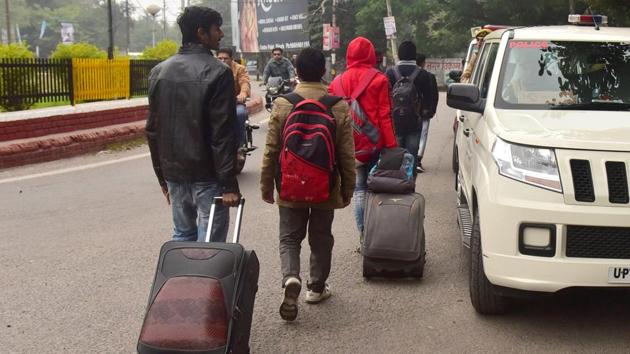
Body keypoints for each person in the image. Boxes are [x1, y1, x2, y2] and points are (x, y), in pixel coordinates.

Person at [260, 48, 356, 321]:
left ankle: (291, 277)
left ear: (297, 72)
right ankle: (316, 287)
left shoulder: (282, 103)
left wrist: (267, 185)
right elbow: (347, 154)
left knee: (290, 236)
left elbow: (271, 151)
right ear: (323, 71)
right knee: (321, 236)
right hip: (325, 184)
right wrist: (347, 188)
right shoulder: (337, 105)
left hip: (290, 184)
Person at [146, 6, 241, 243]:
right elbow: (222, 134)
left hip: (174, 173)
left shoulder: (159, 71)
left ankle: (182, 280)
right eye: (216, 29)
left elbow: (152, 130)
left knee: (182, 236)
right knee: (209, 246)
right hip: (207, 175)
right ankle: (204, 280)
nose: (220, 34)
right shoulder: (219, 72)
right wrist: (229, 185)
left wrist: (162, 177)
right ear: (201, 32)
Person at [329, 36, 397, 243]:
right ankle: (378, 233)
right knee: (377, 188)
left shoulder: (336, 82)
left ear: (349, 55)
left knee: (358, 190)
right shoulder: (379, 79)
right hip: (374, 144)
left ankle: (364, 236)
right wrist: (392, 145)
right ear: (370, 54)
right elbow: (385, 116)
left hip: (348, 145)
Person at [385, 41, 433, 174]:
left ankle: (395, 184)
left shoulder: (390, 72)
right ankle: (409, 185)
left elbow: (385, 97)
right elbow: (428, 98)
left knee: (396, 156)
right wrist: (425, 113)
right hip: (414, 122)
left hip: (394, 122)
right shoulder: (422, 74)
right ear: (414, 55)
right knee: (411, 156)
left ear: (399, 55)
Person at [217, 47, 251, 160]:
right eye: (219, 58)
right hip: (217, 104)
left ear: (231, 59)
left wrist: (243, 94)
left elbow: (245, 82)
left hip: (235, 103)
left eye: (225, 58)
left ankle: (239, 147)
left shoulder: (239, 69)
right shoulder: (211, 68)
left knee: (240, 114)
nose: (222, 61)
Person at [415, 53, 439, 173]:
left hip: (409, 112)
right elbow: (434, 95)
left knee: (411, 134)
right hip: (424, 111)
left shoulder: (406, 75)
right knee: (423, 134)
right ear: (423, 62)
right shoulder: (428, 76)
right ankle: (418, 160)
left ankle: (410, 159)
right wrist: (432, 110)